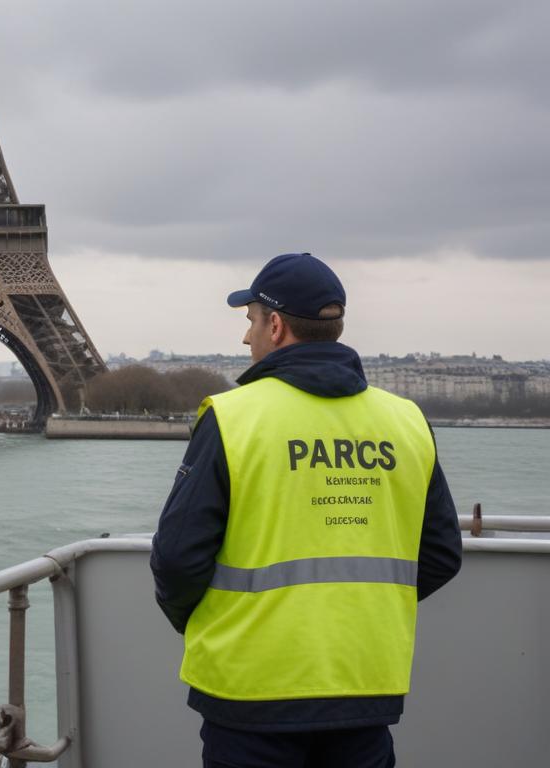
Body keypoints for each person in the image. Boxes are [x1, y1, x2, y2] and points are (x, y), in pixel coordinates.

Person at [150, 253, 463, 768]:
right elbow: (440, 556)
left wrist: (217, 621)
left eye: (249, 321)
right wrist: (363, 613)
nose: (245, 338)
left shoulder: (233, 418)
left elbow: (178, 557)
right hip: (364, 684)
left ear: (275, 325)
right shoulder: (406, 421)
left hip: (249, 687)